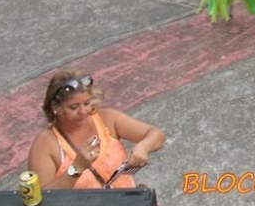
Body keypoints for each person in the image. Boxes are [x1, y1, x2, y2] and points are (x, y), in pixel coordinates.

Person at [27, 71, 165, 190]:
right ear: (55, 107)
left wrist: (144, 147)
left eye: (86, 103)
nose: (83, 112)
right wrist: (76, 169)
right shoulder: (45, 144)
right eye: (74, 107)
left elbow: (156, 134)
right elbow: (43, 198)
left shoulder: (108, 119)